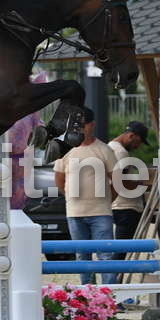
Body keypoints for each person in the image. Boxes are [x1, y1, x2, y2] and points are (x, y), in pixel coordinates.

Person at [53, 107, 119, 285]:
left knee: (106, 254)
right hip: (75, 212)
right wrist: (70, 196)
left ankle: (109, 294)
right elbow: (59, 178)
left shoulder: (104, 150)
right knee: (82, 255)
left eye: (83, 125)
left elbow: (117, 181)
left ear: (92, 125)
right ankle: (87, 294)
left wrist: (106, 201)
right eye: (76, 125)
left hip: (101, 212)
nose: (80, 129)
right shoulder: (65, 149)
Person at [107, 121, 150, 258]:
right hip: (126, 207)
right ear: (131, 136)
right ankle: (112, 273)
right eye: (139, 141)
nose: (138, 146)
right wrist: (141, 185)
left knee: (118, 250)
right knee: (121, 251)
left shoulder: (109, 147)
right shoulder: (121, 152)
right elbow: (122, 182)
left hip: (115, 205)